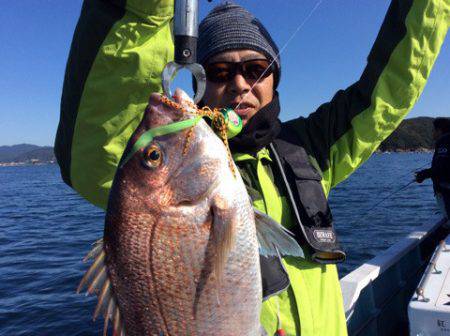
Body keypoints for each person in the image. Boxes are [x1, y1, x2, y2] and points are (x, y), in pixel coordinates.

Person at [55, 1, 448, 335]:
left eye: (256, 67)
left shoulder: (306, 147)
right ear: (197, 81)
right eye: (220, 72)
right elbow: (99, 137)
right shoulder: (147, 173)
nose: (240, 83)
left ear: (275, 77)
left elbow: (387, 95)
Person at [415, 118, 450, 222]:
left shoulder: (444, 142)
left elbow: (442, 168)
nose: (432, 133)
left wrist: (423, 174)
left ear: (439, 130)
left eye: (433, 130)